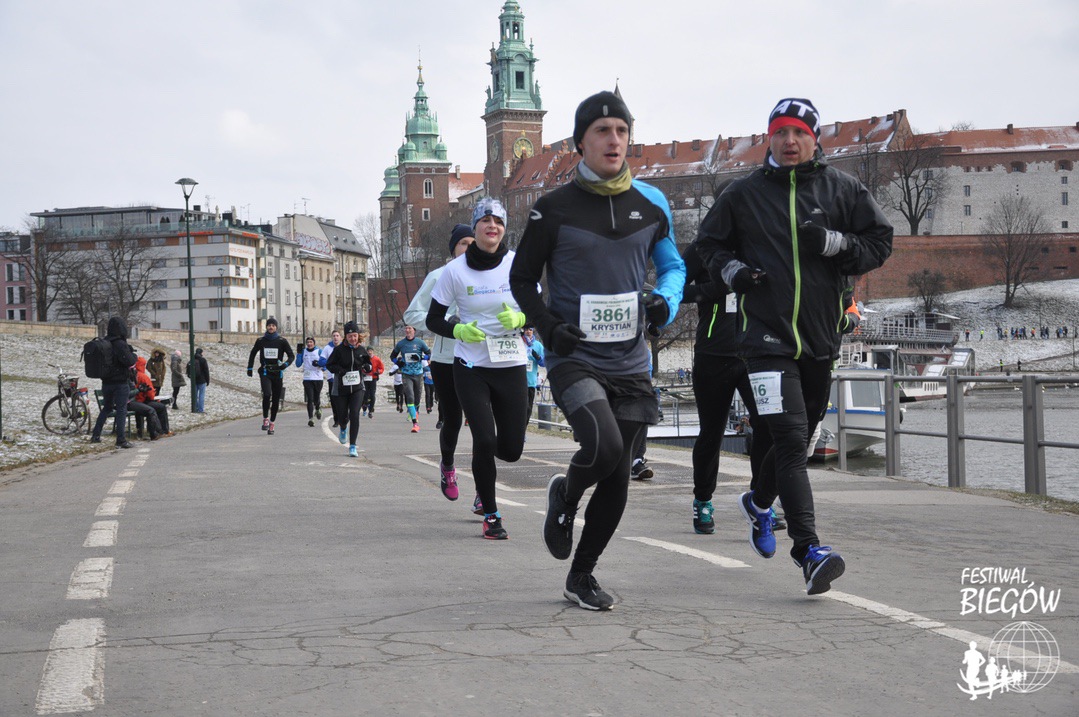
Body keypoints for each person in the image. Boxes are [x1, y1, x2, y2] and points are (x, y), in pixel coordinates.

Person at [696, 97, 892, 595]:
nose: (789, 141)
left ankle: (758, 501)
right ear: (769, 138)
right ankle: (808, 550)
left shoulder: (843, 189)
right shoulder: (743, 194)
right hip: (763, 340)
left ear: (814, 139)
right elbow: (707, 245)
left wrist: (833, 244)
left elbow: (880, 243)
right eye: (780, 132)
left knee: (799, 439)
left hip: (820, 338)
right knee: (788, 437)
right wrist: (734, 271)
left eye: (799, 133)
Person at [509, 91, 685, 609]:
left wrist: (665, 301)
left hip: (630, 359)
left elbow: (673, 267)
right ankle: (566, 494)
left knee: (619, 471)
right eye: (602, 130)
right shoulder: (552, 209)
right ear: (580, 142)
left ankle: (581, 575)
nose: (614, 140)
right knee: (604, 449)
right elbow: (521, 279)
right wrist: (548, 325)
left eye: (622, 130)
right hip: (575, 356)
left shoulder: (651, 203)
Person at [426, 197, 529, 540]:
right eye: (485, 221)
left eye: (498, 221)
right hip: (471, 365)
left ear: (504, 228)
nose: (492, 226)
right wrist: (458, 330)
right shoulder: (455, 271)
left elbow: (539, 308)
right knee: (484, 439)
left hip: (511, 363)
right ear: (476, 227)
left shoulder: (518, 264)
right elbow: (433, 319)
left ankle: (484, 459)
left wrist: (522, 318)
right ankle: (491, 514)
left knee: (511, 450)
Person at [680, 238, 772, 533]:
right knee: (712, 433)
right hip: (713, 355)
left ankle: (760, 502)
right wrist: (714, 290)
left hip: (755, 353)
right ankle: (703, 501)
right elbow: (675, 290)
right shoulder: (702, 248)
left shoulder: (759, 241)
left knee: (768, 426)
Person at [404, 222, 475, 502]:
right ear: (453, 249)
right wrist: (447, 322)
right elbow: (412, 315)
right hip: (447, 359)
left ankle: (484, 491)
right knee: (453, 420)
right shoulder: (438, 276)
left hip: (482, 358)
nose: (469, 248)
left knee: (482, 426)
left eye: (473, 243)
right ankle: (447, 466)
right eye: (463, 244)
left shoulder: (489, 277)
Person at [324, 321, 373, 457]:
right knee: (343, 417)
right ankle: (343, 427)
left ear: (358, 336)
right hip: (341, 389)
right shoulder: (339, 350)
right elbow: (329, 365)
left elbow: (368, 365)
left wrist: (367, 367)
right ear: (345, 336)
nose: (353, 338)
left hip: (357, 388)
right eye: (350, 336)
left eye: (355, 336)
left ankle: (352, 446)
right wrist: (340, 370)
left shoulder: (361, 350)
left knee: (354, 414)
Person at [89, 316, 137, 449]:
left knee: (107, 408)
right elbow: (130, 361)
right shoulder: (120, 344)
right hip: (120, 382)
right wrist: (133, 355)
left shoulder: (105, 343)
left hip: (106, 382)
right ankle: (121, 439)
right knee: (122, 409)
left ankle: (96, 435)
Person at [246, 317, 294, 435]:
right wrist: (250, 367)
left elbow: (291, 356)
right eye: (269, 325)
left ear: (276, 327)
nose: (271, 327)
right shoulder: (261, 340)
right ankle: (265, 419)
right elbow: (253, 353)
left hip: (277, 372)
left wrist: (285, 365)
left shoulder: (282, 341)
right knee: (267, 394)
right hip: (265, 372)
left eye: (273, 325)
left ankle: (272, 423)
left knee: (276, 399)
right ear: (266, 327)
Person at [389, 325, 431, 433]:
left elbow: (429, 354)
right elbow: (392, 356)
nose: (407, 330)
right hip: (406, 374)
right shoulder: (401, 344)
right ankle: (415, 423)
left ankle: (415, 412)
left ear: (414, 330)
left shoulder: (420, 342)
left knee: (417, 399)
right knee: (410, 397)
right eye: (406, 328)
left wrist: (421, 357)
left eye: (410, 328)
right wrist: (398, 363)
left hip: (418, 374)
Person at [129, 355, 167, 440]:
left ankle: (149, 430)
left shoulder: (133, 374)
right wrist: (153, 397)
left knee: (152, 409)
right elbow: (150, 394)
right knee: (160, 407)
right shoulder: (143, 376)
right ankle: (161, 431)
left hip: (135, 400)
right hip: (140, 401)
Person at [295, 337, 325, 427]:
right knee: (310, 399)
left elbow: (325, 364)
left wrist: (319, 364)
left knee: (316, 398)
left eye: (311, 342)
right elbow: (298, 364)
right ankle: (311, 418)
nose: (309, 344)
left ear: (314, 343)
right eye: (307, 342)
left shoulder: (319, 351)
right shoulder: (303, 351)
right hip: (307, 378)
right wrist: (299, 353)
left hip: (318, 378)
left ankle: (318, 408)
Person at [522, 325, 545, 425]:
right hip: (518, 381)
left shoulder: (538, 345)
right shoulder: (519, 342)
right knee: (519, 408)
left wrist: (538, 357)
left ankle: (523, 429)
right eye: (526, 330)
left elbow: (544, 363)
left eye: (530, 330)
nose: (528, 332)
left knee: (528, 409)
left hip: (530, 382)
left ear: (533, 331)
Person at [321, 330, 345, 427]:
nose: (335, 337)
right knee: (334, 400)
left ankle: (344, 417)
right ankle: (336, 420)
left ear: (341, 337)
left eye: (337, 335)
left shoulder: (344, 347)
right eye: (334, 336)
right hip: (332, 378)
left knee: (343, 399)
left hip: (343, 378)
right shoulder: (328, 348)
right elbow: (321, 360)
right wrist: (330, 363)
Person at [361, 346, 385, 418]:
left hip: (373, 378)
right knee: (365, 394)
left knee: (372, 394)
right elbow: (360, 367)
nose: (369, 352)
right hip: (365, 378)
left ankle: (370, 411)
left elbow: (382, 368)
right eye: (368, 351)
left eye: (371, 351)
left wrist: (378, 372)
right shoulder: (364, 359)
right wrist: (362, 372)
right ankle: (365, 406)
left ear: (373, 351)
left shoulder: (376, 359)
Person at [186, 348, 210, 413]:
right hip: (202, 380)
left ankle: (195, 408)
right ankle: (200, 410)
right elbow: (206, 371)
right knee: (201, 395)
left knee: (195, 395)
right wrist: (207, 380)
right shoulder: (203, 360)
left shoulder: (192, 359)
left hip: (194, 380)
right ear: (201, 353)